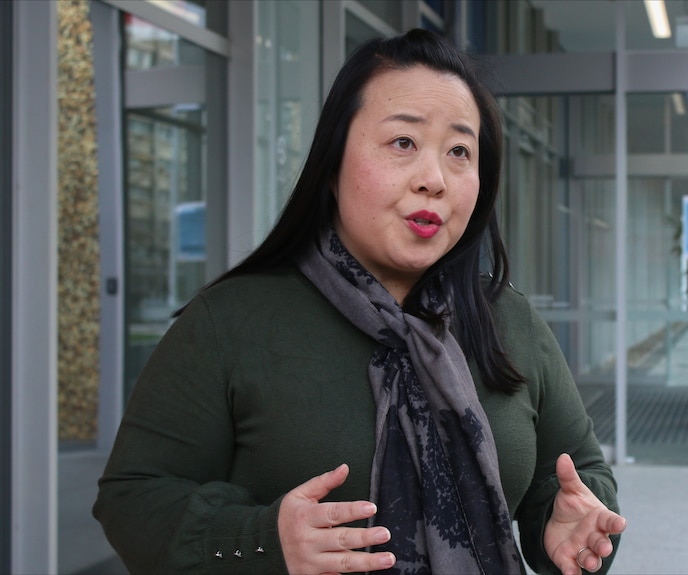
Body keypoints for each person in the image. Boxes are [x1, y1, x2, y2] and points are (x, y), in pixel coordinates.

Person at [93, 28, 626, 575]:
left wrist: (571, 527)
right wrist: (261, 539)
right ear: (331, 163)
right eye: (403, 143)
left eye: (460, 151)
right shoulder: (231, 322)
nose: (434, 179)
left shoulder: (507, 319)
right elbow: (131, 499)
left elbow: (579, 472)